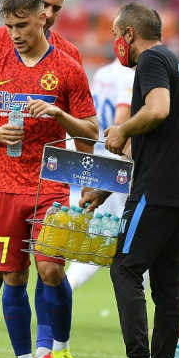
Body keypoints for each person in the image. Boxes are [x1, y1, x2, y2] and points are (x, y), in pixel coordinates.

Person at [0, 0, 98, 358]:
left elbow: (90, 131)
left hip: (51, 184)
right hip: (5, 186)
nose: (15, 35)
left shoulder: (68, 69)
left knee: (51, 269)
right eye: (9, 27)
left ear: (42, 18)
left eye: (21, 25)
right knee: (12, 275)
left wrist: (60, 116)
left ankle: (58, 350)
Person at [81, 1, 179, 358]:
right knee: (167, 285)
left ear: (129, 34)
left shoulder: (151, 60)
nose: (116, 42)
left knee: (125, 268)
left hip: (157, 189)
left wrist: (121, 128)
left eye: (117, 35)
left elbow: (157, 111)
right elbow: (148, 139)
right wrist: (104, 188)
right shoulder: (176, 65)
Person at [64, 58, 133, 291]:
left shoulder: (103, 73)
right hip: (120, 164)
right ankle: (64, 289)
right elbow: (121, 122)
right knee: (132, 242)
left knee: (98, 237)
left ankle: (65, 288)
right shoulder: (131, 76)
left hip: (99, 162)